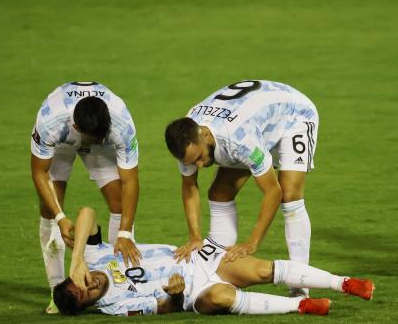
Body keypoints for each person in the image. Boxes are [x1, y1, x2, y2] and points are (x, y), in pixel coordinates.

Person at [52, 207, 374, 316]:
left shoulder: (93, 257)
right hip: (193, 293)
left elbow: (86, 214)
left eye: (81, 282)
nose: (90, 283)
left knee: (262, 269)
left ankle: (343, 283)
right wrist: (176, 294)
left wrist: (77, 258)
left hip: (199, 260)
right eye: (88, 294)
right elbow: (165, 308)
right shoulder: (117, 306)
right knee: (222, 296)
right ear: (90, 305)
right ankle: (302, 306)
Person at [164, 80, 319, 296]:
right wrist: (195, 237)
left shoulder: (240, 139)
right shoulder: (185, 139)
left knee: (290, 195)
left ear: (205, 136)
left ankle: (300, 285)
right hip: (254, 122)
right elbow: (189, 187)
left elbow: (273, 192)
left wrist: (252, 243)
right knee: (219, 193)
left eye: (199, 158)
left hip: (293, 116)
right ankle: (218, 270)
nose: (199, 166)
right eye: (192, 162)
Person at [31, 81, 142, 313]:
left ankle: (120, 279)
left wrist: (124, 232)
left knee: (119, 204)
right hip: (62, 143)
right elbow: (39, 173)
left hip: (99, 141)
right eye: (95, 136)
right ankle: (56, 290)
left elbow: (130, 180)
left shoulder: (120, 122)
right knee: (50, 209)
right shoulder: (50, 122)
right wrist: (61, 217)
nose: (100, 139)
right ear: (76, 126)